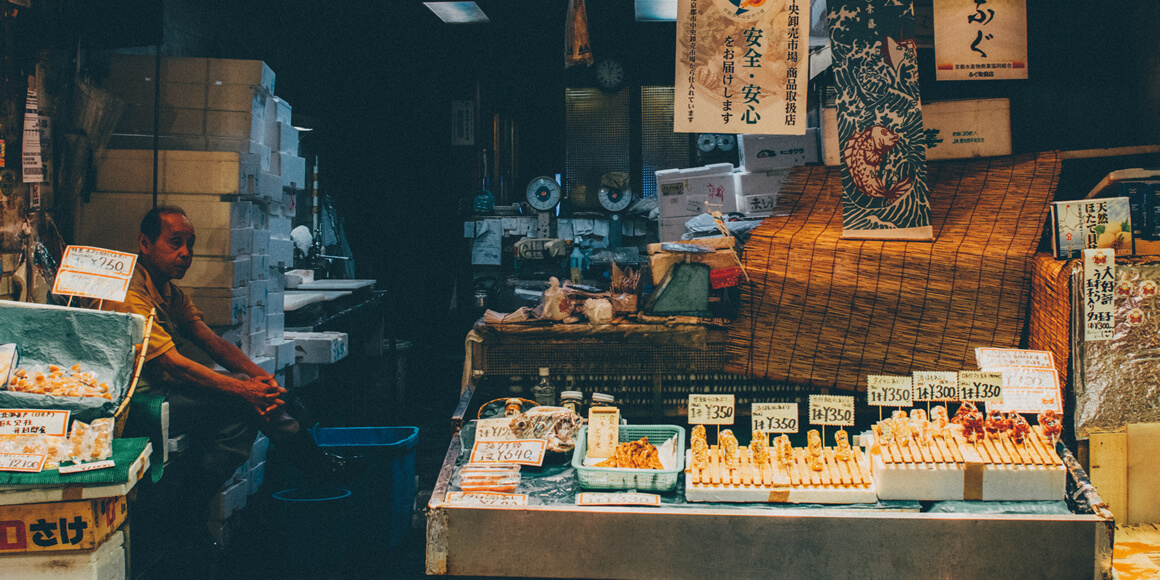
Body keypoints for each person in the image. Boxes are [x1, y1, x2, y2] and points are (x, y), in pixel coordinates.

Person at [103, 206, 360, 554]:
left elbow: (214, 343)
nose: (185, 254)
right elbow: (175, 365)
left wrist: (264, 382)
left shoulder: (168, 291)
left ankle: (307, 462)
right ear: (145, 243)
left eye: (190, 245)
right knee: (244, 402)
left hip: (164, 389)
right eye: (175, 243)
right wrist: (246, 390)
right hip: (135, 402)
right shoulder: (129, 294)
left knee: (247, 393)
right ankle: (192, 510)